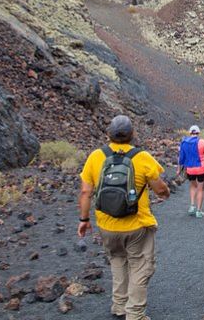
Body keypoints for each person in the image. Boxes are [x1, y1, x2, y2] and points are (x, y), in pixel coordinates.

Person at [78, 115, 170, 320]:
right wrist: (165, 194)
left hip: (106, 225)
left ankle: (119, 305)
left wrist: (84, 220)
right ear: (132, 135)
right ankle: (135, 314)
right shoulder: (142, 157)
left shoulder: (96, 156)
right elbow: (160, 187)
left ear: (108, 134)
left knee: (117, 260)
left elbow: (86, 192)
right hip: (136, 225)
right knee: (140, 265)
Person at [177, 125, 204, 218]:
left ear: (190, 133)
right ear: (198, 133)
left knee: (193, 186)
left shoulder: (184, 142)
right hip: (201, 168)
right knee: (200, 189)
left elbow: (181, 157)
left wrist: (178, 169)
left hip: (190, 169)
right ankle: (198, 211)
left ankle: (192, 206)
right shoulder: (202, 142)